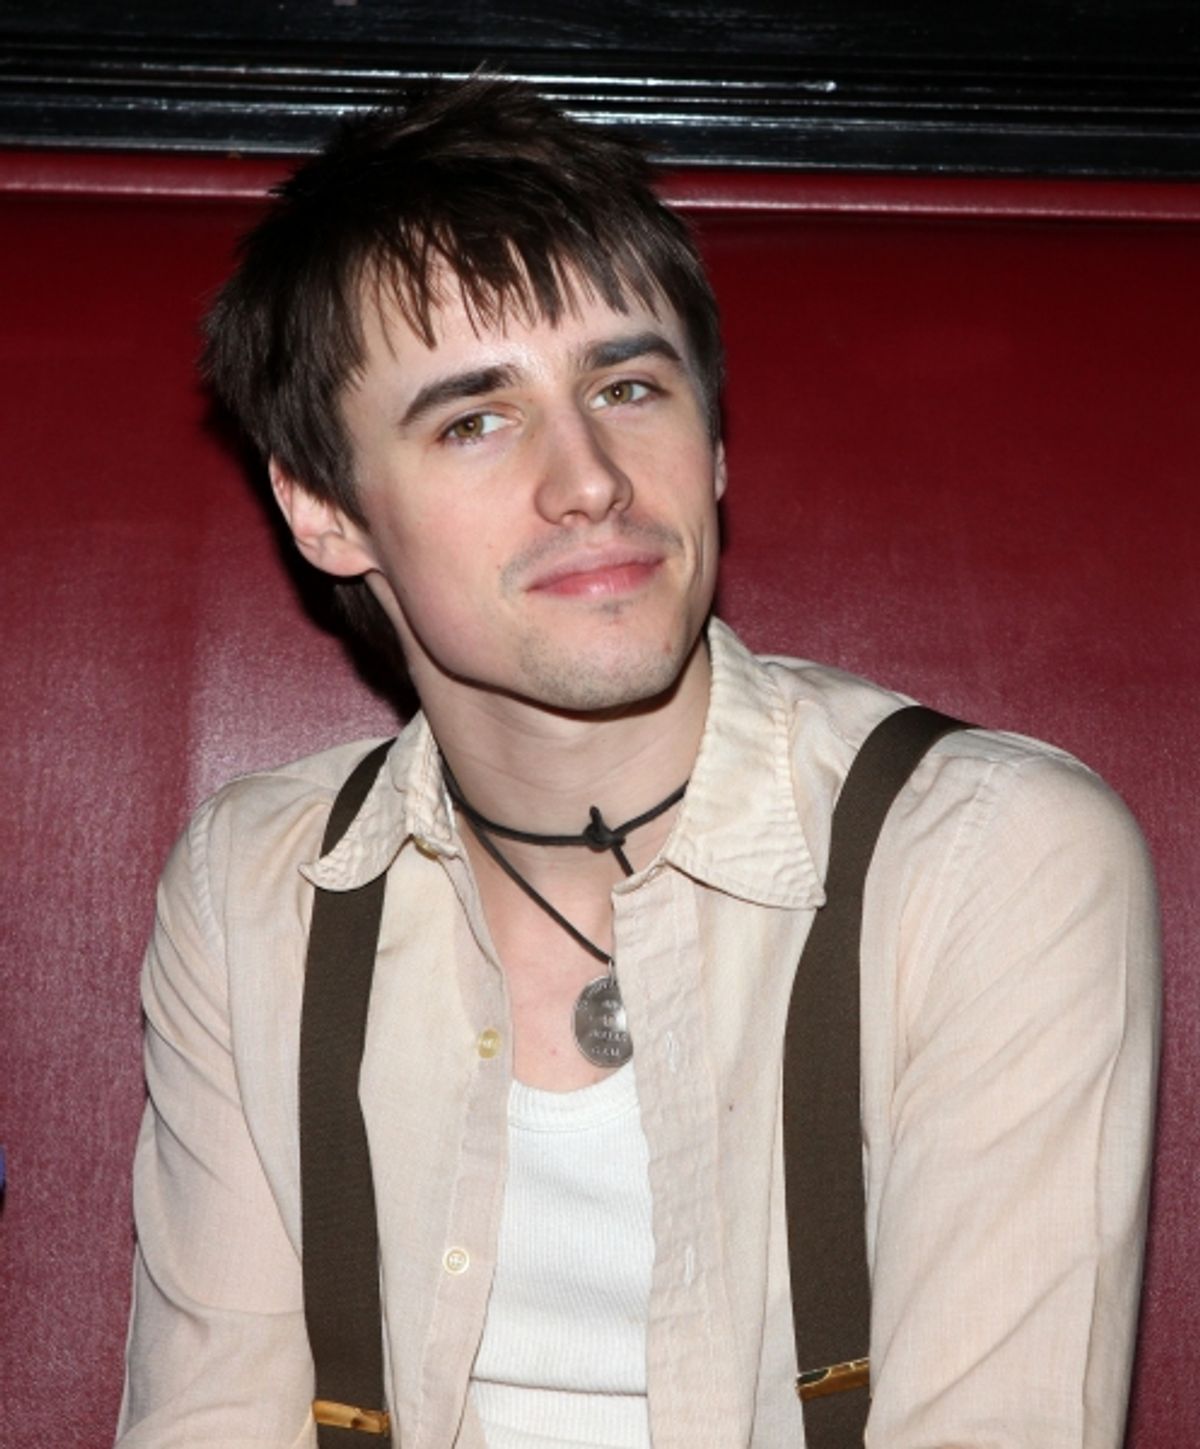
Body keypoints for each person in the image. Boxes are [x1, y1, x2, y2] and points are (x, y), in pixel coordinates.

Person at [115, 77, 1160, 1449]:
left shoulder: (985, 860)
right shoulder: (258, 885)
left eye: (627, 384)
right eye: (473, 419)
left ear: (713, 442)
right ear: (323, 508)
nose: (592, 476)